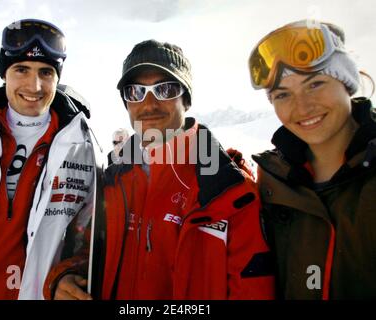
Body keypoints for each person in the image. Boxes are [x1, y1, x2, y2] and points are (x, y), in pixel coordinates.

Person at [44, 39, 275, 300]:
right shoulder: (110, 182)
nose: (149, 104)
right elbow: (86, 255)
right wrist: (64, 280)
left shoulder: (228, 192)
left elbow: (253, 291)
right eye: (135, 92)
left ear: (185, 101)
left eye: (165, 90)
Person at [0, 18, 102, 299]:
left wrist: (67, 275)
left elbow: (92, 239)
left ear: (57, 78)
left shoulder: (83, 149)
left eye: (46, 72)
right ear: (4, 73)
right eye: (21, 69)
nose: (34, 85)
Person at [248, 19, 376, 299]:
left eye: (315, 84)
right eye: (283, 94)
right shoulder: (272, 182)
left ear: (346, 83)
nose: (302, 107)